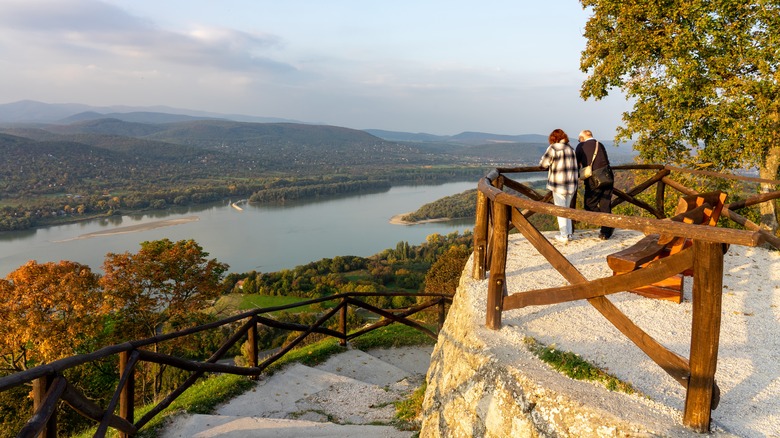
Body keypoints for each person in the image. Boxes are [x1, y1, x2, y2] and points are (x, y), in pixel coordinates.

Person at [539, 129, 578, 243]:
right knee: (567, 209)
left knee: (560, 210)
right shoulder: (571, 149)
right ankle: (569, 234)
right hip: (571, 183)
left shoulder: (553, 148)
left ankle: (564, 235)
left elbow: (543, 164)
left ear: (553, 138)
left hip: (558, 184)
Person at [575, 129, 614, 240]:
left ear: (582, 138)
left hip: (594, 179)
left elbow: (576, 162)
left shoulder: (581, 146)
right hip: (608, 176)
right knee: (605, 204)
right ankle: (606, 231)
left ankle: (607, 225)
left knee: (589, 204)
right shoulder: (599, 144)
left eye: (579, 139)